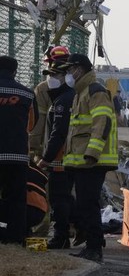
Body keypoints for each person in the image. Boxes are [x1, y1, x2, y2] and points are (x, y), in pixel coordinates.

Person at [58, 54, 119, 262]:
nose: (67, 74)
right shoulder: (80, 93)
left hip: (93, 161)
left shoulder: (95, 91)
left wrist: (92, 154)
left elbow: (102, 123)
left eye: (70, 70)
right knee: (84, 204)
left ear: (80, 69)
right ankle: (93, 244)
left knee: (88, 203)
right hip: (82, 162)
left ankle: (94, 247)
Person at [36, 60, 76, 249]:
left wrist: (46, 158)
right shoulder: (65, 98)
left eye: (55, 75)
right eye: (49, 75)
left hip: (60, 160)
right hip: (65, 159)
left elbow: (58, 134)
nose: (50, 79)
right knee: (65, 199)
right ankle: (73, 230)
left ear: (66, 78)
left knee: (59, 200)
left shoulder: (62, 101)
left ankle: (61, 237)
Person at [0, 56, 37, 244]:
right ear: (15, 71)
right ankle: (15, 237)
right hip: (17, 156)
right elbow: (32, 124)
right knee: (16, 199)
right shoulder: (27, 94)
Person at [29, 45, 70, 157]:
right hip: (70, 151)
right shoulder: (77, 87)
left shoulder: (43, 89)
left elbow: (38, 123)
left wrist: (33, 150)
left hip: (51, 150)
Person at [0, 161, 48, 241]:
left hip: (22, 208)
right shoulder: (35, 170)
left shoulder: (10, 166)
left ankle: (11, 235)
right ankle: (24, 233)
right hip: (40, 213)